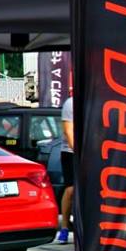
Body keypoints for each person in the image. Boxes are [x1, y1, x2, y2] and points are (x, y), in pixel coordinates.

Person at [57, 91, 77, 243]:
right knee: (71, 189)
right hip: (71, 152)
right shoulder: (70, 103)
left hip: (94, 152)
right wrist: (78, 152)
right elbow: (68, 131)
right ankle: (64, 227)